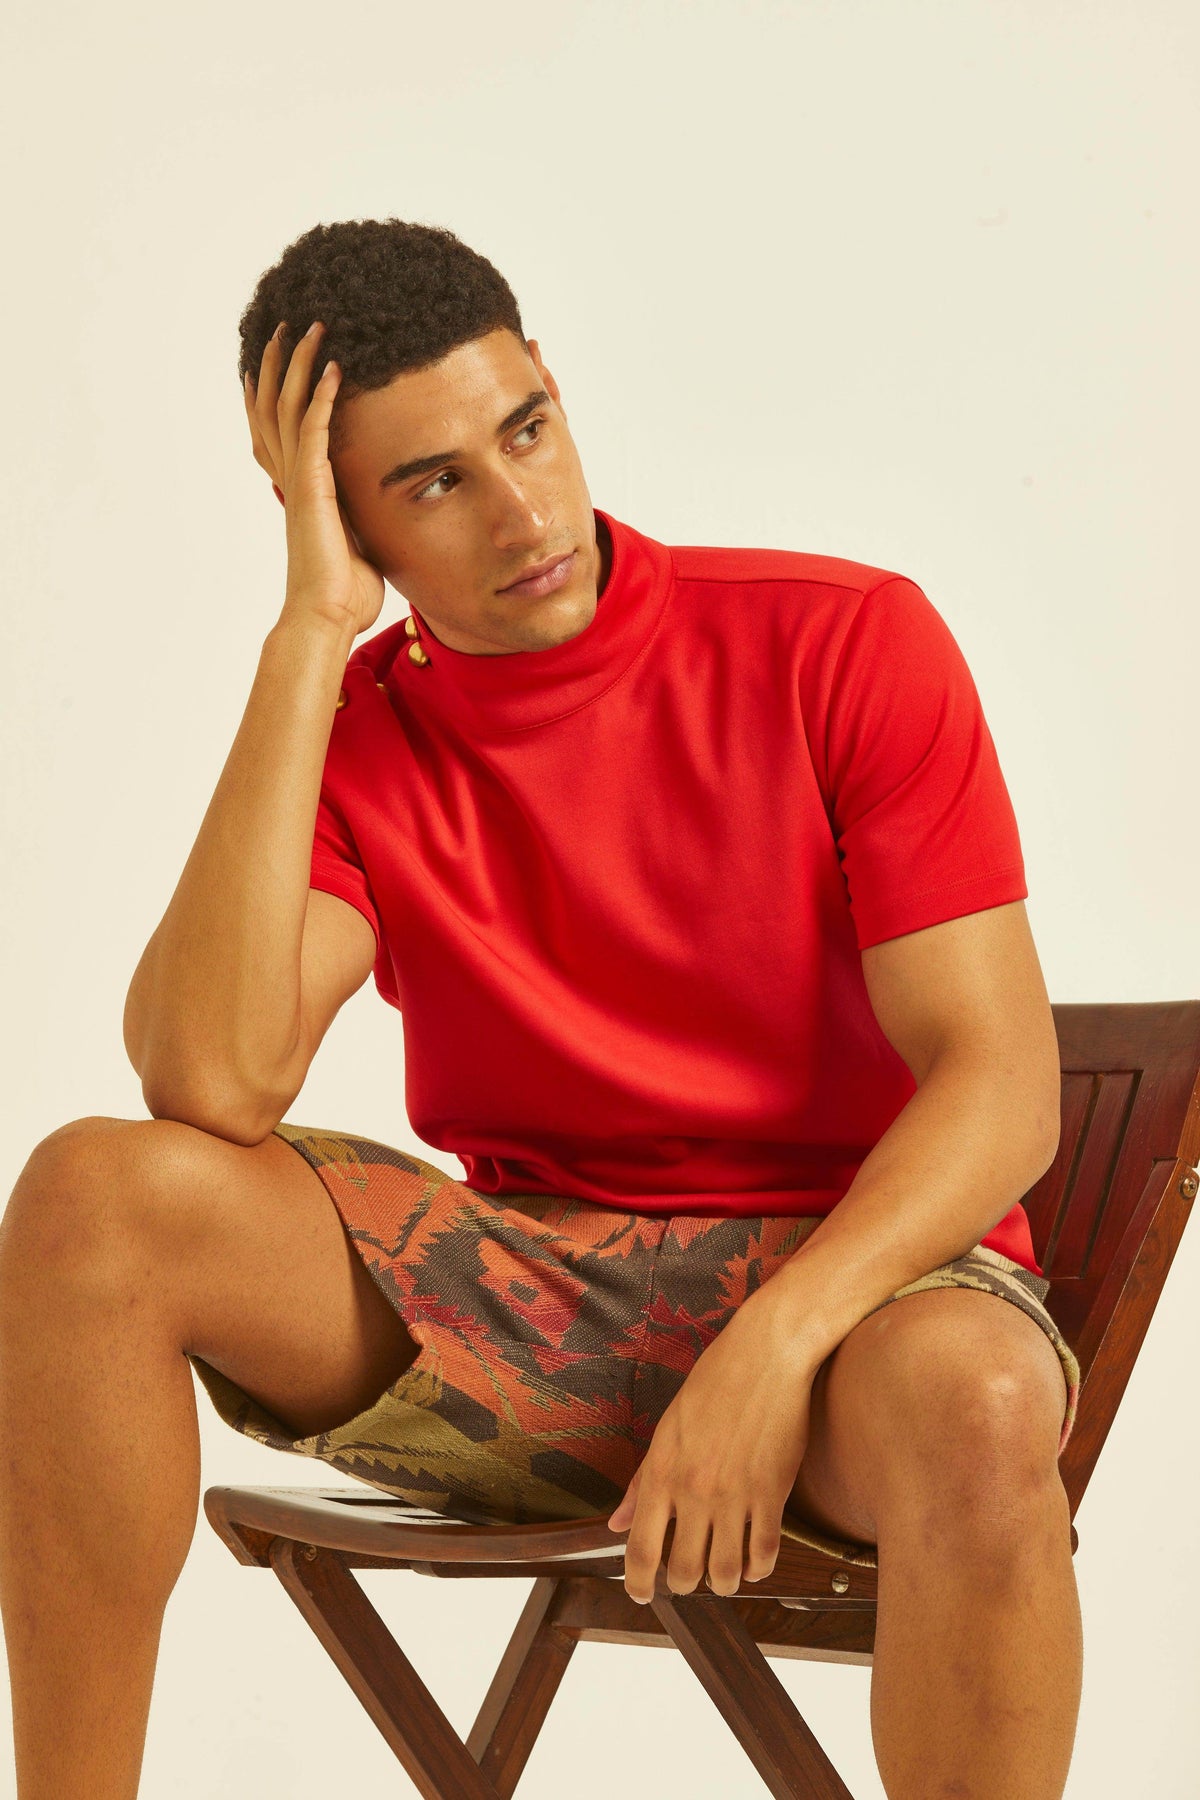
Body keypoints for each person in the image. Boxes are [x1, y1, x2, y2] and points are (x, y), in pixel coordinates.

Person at [0, 217, 1083, 1800]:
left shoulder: (842, 639)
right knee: (93, 1197)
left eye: (525, 430)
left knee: (981, 1402)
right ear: (341, 518)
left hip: (863, 1308)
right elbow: (211, 1080)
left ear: (557, 391)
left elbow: (1001, 1083)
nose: (522, 512)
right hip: (539, 1300)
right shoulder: (358, 734)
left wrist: (771, 1345)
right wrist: (309, 634)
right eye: (433, 482)